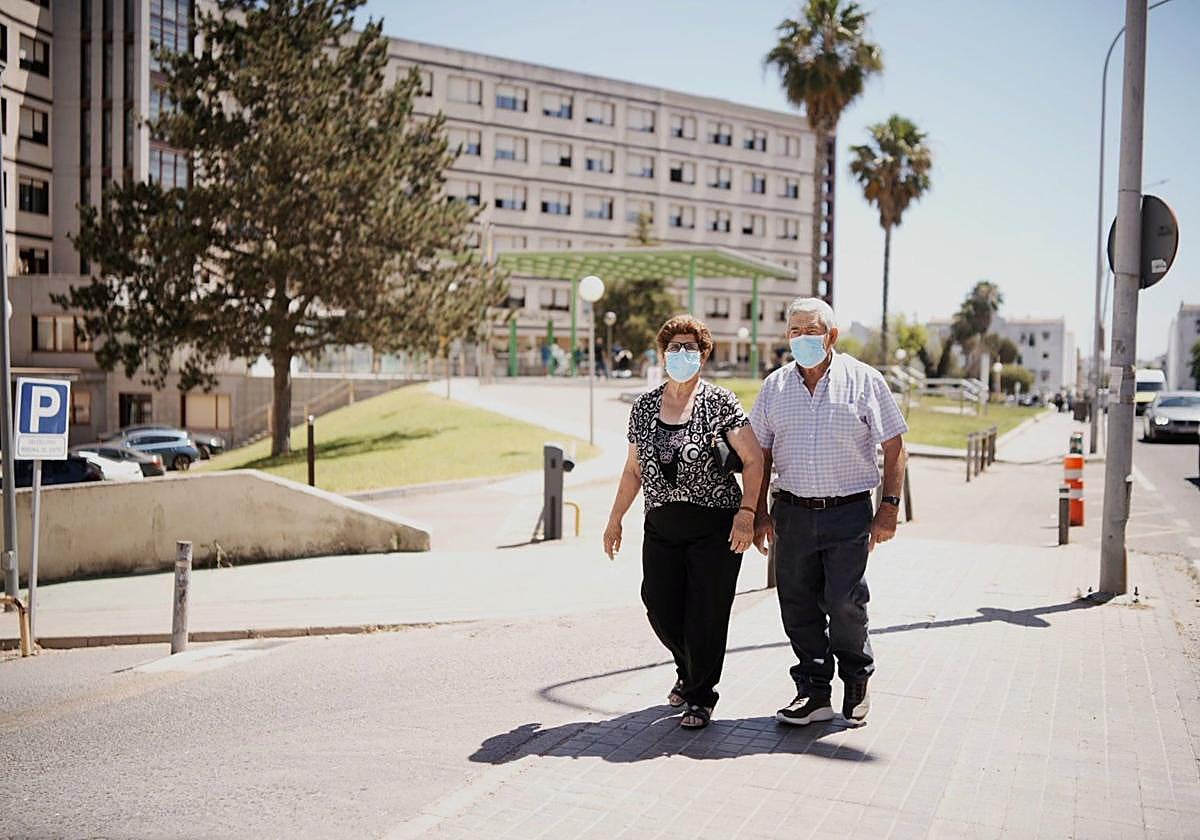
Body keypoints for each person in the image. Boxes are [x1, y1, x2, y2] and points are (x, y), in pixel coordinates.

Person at [749, 298, 908, 726]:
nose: (802, 338)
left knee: (844, 602)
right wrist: (759, 512)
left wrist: (889, 508)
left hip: (847, 513)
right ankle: (814, 691)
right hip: (791, 513)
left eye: (811, 331)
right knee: (797, 605)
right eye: (795, 331)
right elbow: (760, 454)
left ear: (831, 335)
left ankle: (856, 680)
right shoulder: (774, 387)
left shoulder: (864, 380)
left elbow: (895, 447)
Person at [604, 315, 764, 730]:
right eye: (673, 347)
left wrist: (748, 513)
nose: (681, 354)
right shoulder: (644, 407)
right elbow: (633, 471)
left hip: (716, 525)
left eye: (690, 348)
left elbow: (753, 459)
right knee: (659, 604)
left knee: (706, 613)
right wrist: (615, 518)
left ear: (703, 355)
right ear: (662, 354)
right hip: (661, 525)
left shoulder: (720, 403)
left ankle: (700, 696)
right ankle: (687, 666)